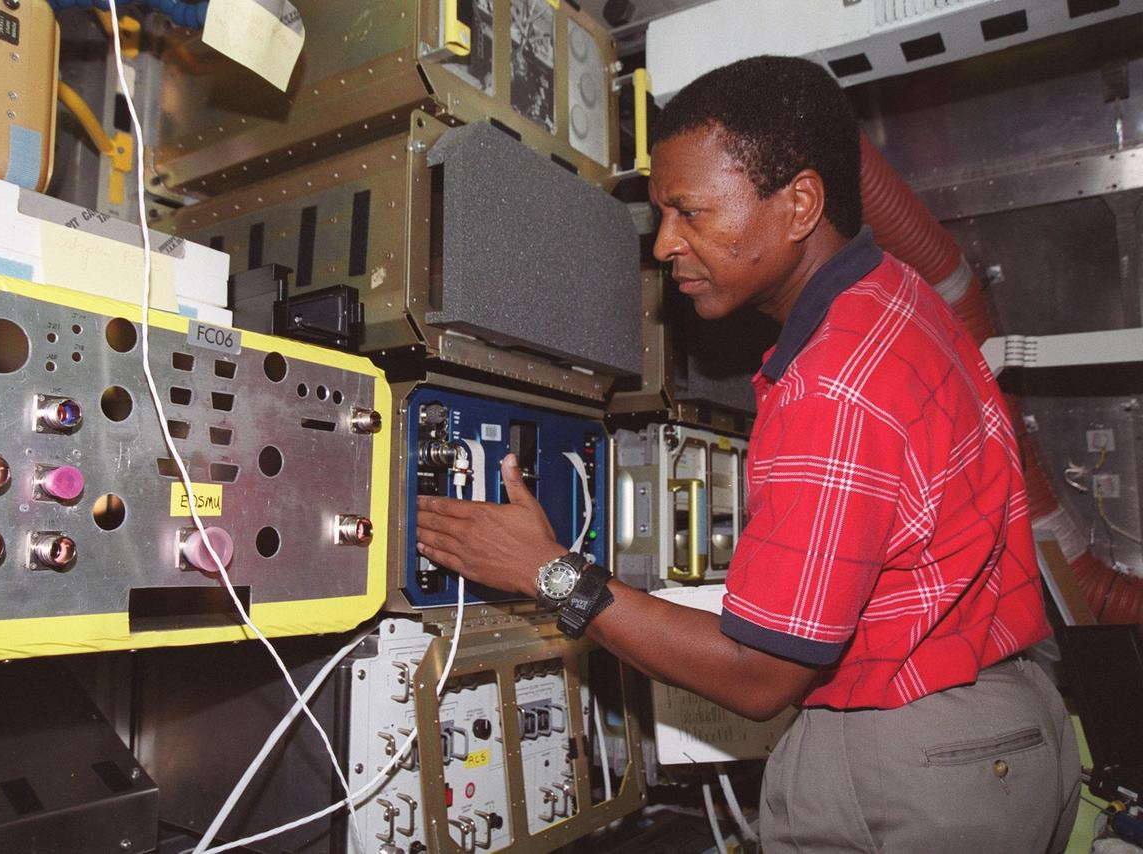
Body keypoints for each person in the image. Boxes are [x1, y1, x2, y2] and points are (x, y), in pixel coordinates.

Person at [416, 55, 1081, 851]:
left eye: (691, 212)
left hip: (918, 763)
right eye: (662, 213)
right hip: (1013, 731)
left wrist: (546, 570)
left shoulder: (832, 381)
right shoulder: (898, 301)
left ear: (799, 203)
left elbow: (759, 676)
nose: (664, 244)